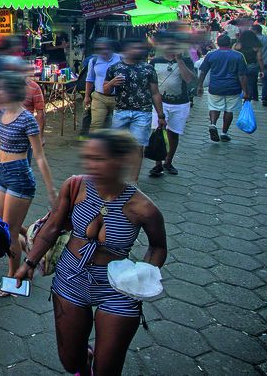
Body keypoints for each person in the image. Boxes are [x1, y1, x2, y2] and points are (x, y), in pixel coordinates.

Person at [15, 130, 168, 376]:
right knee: (71, 361)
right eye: (88, 158)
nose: (91, 165)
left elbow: (158, 247)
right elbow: (53, 225)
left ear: (120, 162)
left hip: (118, 287)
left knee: (107, 369)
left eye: (99, 159)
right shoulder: (75, 185)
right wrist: (29, 262)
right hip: (70, 277)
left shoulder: (144, 208)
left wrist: (144, 277)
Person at [0, 72, 56, 296]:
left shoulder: (27, 119)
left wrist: (52, 190)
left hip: (19, 177)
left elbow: (40, 156)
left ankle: (12, 281)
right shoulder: (5, 113)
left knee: (9, 233)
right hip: (2, 174)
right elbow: (0, 135)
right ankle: (31, 245)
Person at [104, 38, 166, 182]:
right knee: (115, 146)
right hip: (121, 111)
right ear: (125, 50)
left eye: (139, 48)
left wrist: (161, 115)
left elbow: (155, 93)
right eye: (133, 47)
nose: (136, 50)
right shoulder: (115, 68)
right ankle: (114, 177)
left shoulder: (148, 68)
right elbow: (105, 90)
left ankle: (133, 181)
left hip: (142, 112)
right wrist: (112, 83)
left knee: (138, 148)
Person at [148, 39, 196, 177]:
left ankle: (168, 161)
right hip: (159, 103)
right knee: (158, 131)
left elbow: (188, 79)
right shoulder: (155, 61)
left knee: (174, 133)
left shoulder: (186, 61)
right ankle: (158, 164)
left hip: (179, 103)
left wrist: (179, 60)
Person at [196, 34, 248, 143]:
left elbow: (203, 71)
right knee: (229, 110)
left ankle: (213, 124)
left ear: (217, 43)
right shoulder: (238, 56)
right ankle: (224, 132)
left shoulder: (211, 55)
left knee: (214, 107)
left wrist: (199, 85)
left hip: (215, 87)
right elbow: (242, 75)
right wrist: (245, 90)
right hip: (233, 88)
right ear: (230, 43)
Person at [83, 39, 121, 131]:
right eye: (100, 49)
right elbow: (89, 79)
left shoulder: (121, 59)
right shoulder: (93, 61)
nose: (104, 51)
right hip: (99, 97)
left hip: (118, 97)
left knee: (117, 126)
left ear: (111, 48)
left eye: (106, 48)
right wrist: (87, 96)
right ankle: (94, 144)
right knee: (96, 125)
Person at [234, 29, 265, 104]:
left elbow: (233, 57)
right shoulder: (256, 46)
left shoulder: (237, 45)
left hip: (239, 67)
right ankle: (247, 100)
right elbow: (259, 58)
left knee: (238, 83)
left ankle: (239, 98)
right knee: (250, 84)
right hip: (252, 66)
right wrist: (262, 70)